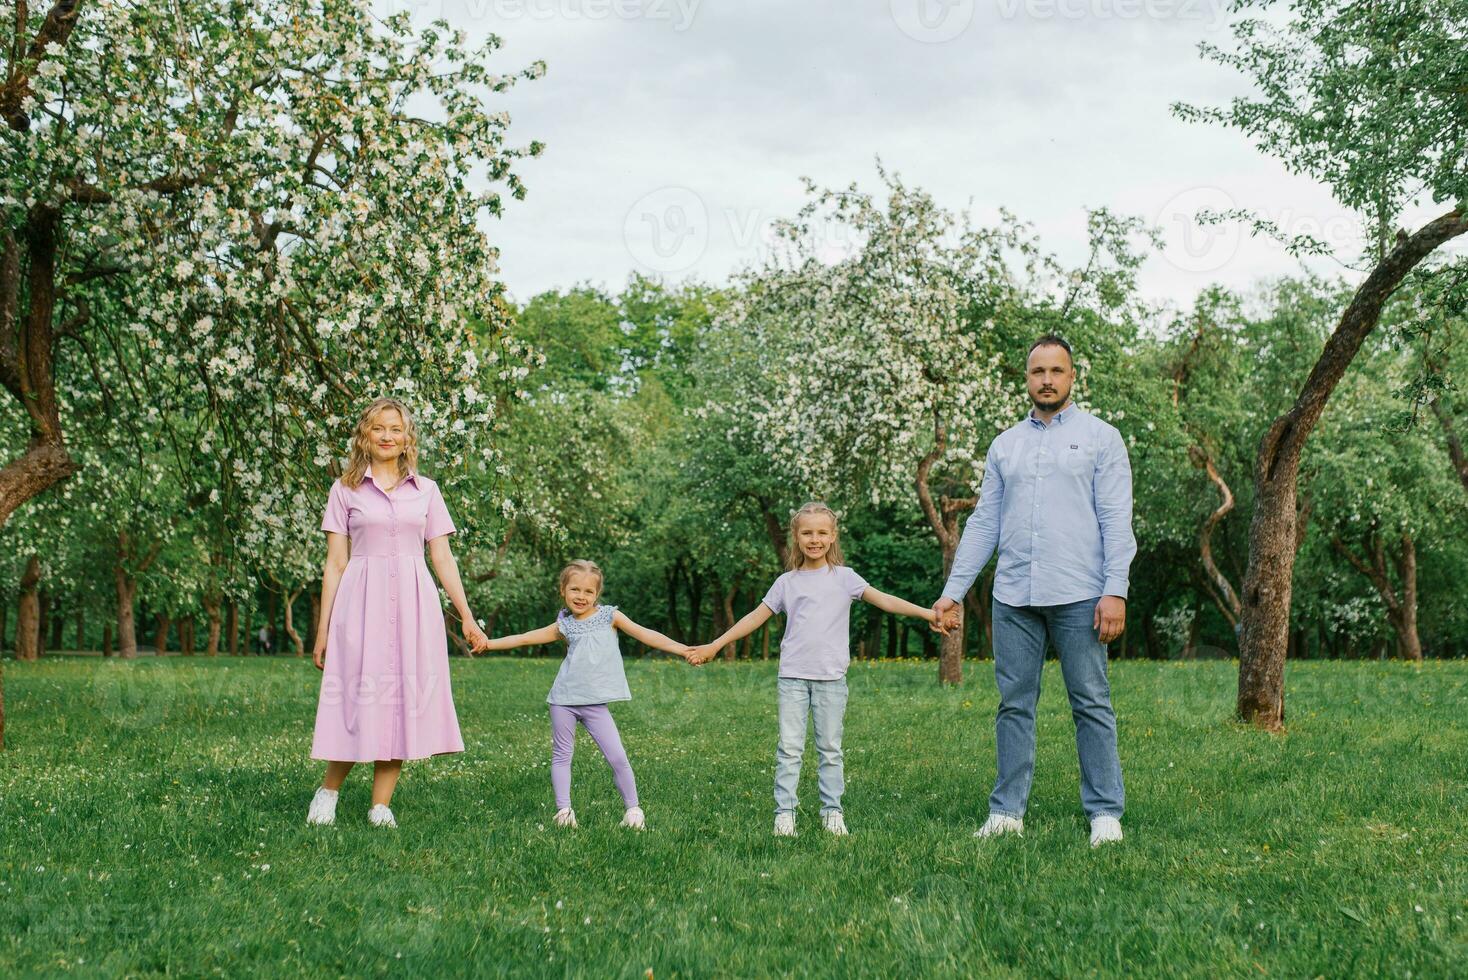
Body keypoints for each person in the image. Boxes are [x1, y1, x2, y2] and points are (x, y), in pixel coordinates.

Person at [933, 334, 1135, 848]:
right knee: (1014, 704)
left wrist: (1116, 591)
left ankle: (1105, 813)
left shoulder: (1101, 438)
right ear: (1027, 379)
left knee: (1091, 702)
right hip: (1014, 596)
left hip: (1081, 595)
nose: (1046, 380)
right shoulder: (1006, 445)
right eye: (1037, 372)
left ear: (1072, 377)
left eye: (1056, 371)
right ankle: (1006, 813)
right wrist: (954, 590)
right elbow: (983, 524)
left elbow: (1117, 521)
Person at [688, 502, 949, 837]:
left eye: (822, 532)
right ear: (796, 537)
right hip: (793, 679)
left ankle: (832, 813)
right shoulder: (786, 583)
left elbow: (884, 600)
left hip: (831, 680)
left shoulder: (845, 578)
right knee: (790, 749)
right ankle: (785, 814)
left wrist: (929, 614)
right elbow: (754, 617)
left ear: (833, 536)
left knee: (830, 749)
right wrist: (715, 645)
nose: (815, 539)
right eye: (807, 532)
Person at [305, 397, 488, 829]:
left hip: (414, 603)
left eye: (396, 429)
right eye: (378, 429)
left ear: (408, 439)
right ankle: (328, 792)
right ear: (364, 437)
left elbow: (441, 556)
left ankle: (380, 805)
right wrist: (323, 629)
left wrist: (465, 614)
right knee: (356, 699)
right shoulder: (343, 490)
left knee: (400, 702)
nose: (387, 436)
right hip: (360, 603)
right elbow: (335, 563)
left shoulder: (427, 491)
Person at [473, 560, 691, 830]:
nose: (581, 596)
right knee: (562, 755)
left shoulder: (611, 616)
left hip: (595, 705)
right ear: (563, 590)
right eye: (575, 589)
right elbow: (525, 637)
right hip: (563, 701)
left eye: (589, 592)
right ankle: (564, 813)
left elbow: (646, 635)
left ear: (597, 595)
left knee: (617, 756)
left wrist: (684, 650)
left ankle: (633, 812)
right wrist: (488, 643)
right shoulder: (564, 626)